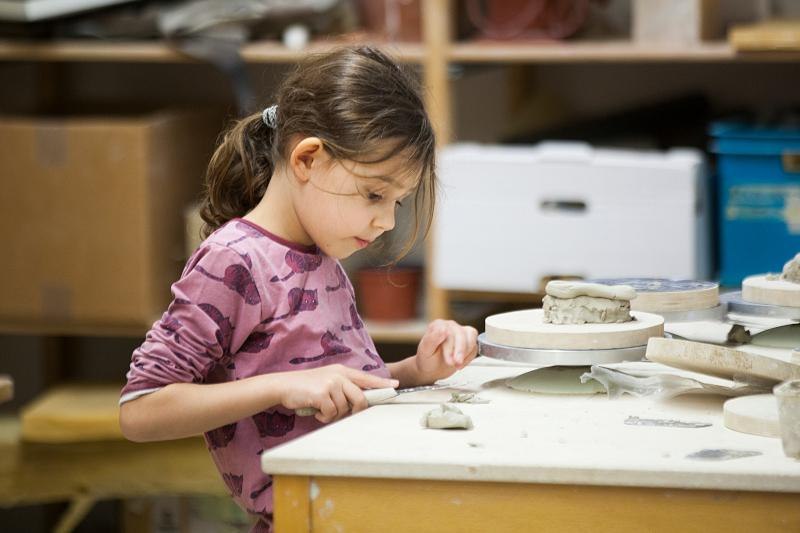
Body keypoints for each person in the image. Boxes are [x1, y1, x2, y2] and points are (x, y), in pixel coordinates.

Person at [119, 45, 478, 532]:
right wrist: (282, 387)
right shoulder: (235, 260)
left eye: (398, 202)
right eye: (375, 194)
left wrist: (417, 370)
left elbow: (331, 388)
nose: (386, 220)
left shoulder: (320, 254)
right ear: (308, 158)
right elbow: (141, 410)